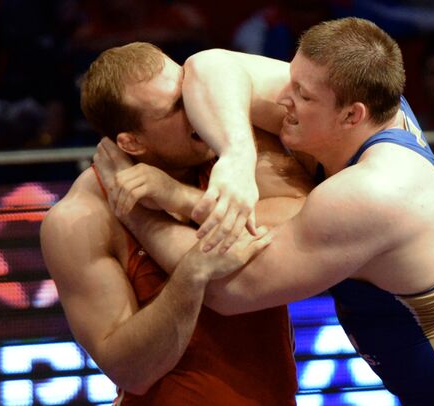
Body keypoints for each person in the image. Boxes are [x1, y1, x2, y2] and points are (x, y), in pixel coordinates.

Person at [109, 18, 434, 405]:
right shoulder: (375, 110)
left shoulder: (374, 190)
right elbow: (206, 68)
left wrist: (139, 212)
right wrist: (235, 157)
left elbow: (227, 288)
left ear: (351, 116)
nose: (283, 99)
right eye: (291, 81)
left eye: (303, 95)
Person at [40, 42, 313, 404]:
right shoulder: (79, 220)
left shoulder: (232, 142)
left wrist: (177, 197)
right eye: (176, 107)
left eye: (187, 89)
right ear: (132, 142)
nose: (197, 107)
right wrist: (191, 275)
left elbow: (314, 212)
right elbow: (131, 370)